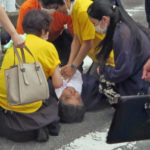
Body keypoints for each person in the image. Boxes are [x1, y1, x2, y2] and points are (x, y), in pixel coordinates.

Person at [0, 10, 63, 142]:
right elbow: (58, 83)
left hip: (5, 106)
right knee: (51, 100)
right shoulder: (48, 47)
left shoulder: (14, 44)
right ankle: (38, 125)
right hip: (28, 107)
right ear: (43, 31)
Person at [87, 0, 150, 96]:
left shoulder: (122, 35)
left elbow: (123, 71)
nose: (94, 27)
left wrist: (104, 71)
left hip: (139, 82)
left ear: (105, 19)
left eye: (94, 23)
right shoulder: (123, 25)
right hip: (141, 76)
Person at [45, 0, 115, 80]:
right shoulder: (74, 9)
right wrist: (70, 63)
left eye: (57, 7)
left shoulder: (82, 11)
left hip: (109, 58)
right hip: (99, 55)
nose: (58, 11)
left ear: (67, 1)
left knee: (93, 85)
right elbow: (77, 38)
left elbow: (88, 43)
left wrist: (73, 66)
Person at [16, 0, 73, 66]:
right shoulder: (27, 7)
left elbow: (76, 36)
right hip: (32, 43)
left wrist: (72, 64)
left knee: (68, 36)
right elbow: (21, 37)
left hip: (56, 38)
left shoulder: (63, 8)